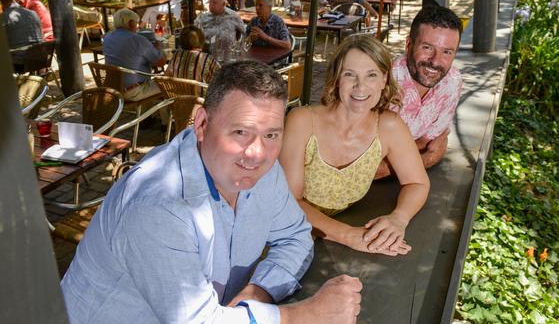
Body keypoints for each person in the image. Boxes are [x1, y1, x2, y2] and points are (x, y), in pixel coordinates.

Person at [61, 60, 363, 324]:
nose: (257, 153)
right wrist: (309, 316)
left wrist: (256, 295)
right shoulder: (160, 205)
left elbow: (295, 235)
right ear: (202, 124)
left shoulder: (264, 170)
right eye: (240, 132)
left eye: (271, 135)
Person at [279, 35, 430, 256]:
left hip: (325, 237)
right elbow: (288, 202)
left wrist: (399, 219)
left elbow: (417, 182)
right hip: (277, 227)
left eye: (371, 75)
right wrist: (350, 236)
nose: (360, 87)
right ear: (337, 78)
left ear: (384, 80)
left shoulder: (388, 126)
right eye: (350, 75)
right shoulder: (302, 120)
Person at [375, 5, 463, 179]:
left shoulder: (452, 82)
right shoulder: (380, 83)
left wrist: (395, 159)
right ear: (409, 44)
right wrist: (429, 158)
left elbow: (426, 142)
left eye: (447, 52)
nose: (436, 61)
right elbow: (358, 165)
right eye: (427, 48)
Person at [103, 8, 166, 101]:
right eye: (136, 23)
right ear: (131, 23)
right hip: (133, 91)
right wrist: (159, 47)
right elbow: (161, 62)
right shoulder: (138, 39)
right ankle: (164, 114)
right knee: (170, 84)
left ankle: (147, 112)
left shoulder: (107, 37)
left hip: (112, 90)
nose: (137, 27)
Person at [1, 0, 42, 68]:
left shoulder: (3, 18)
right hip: (40, 59)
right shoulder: (33, 14)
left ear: (2, 3)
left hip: (19, 63)